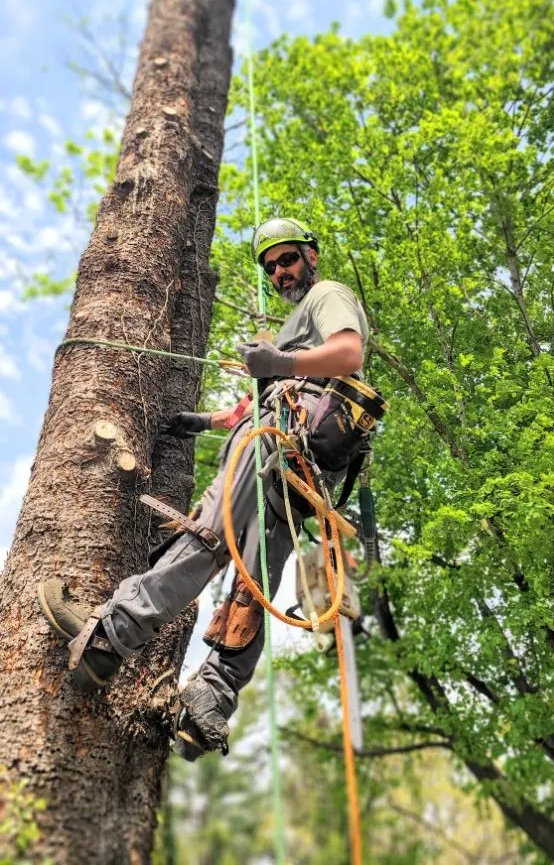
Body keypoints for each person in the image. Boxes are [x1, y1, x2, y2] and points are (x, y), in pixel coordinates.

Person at [37, 216, 372, 760]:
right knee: (256, 581)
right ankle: (209, 703)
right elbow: (264, 398)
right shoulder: (298, 329)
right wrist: (204, 421)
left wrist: (279, 360)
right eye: (271, 267)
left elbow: (349, 353)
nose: (281, 272)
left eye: (288, 259)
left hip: (279, 443)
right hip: (298, 465)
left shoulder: (327, 295)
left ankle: (110, 637)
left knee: (209, 536)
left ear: (311, 255)